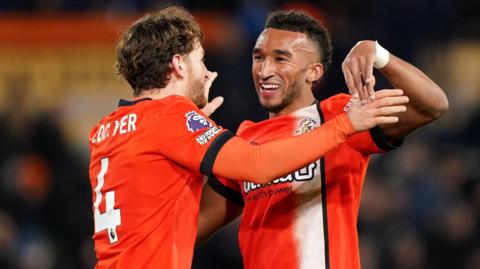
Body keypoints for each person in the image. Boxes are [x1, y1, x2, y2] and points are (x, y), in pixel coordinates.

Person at [87, 6, 407, 269]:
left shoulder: (106, 129)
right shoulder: (169, 119)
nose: (208, 72)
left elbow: (156, 200)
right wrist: (345, 124)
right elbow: (258, 164)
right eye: (200, 60)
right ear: (178, 65)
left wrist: (192, 126)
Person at [197, 10, 448, 269]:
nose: (265, 70)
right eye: (258, 57)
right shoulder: (245, 140)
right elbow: (191, 230)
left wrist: (378, 54)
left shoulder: (344, 115)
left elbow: (432, 105)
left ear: (314, 72)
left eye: (281, 59)